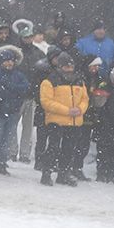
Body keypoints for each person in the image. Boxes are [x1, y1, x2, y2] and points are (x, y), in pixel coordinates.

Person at [37, 54, 89, 186]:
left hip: (74, 121)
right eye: (66, 66)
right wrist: (67, 111)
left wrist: (80, 109)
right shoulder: (49, 81)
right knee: (53, 148)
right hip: (56, 120)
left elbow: (85, 99)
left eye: (71, 65)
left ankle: (63, 173)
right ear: (60, 66)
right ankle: (46, 173)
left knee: (69, 149)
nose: (70, 68)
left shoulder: (79, 80)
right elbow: (46, 102)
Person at [0, 46, 29, 175]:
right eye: (6, 60)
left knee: (7, 139)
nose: (9, 63)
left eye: (11, 60)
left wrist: (10, 88)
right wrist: (11, 91)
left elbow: (25, 87)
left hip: (13, 112)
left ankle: (1, 163)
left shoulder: (18, 75)